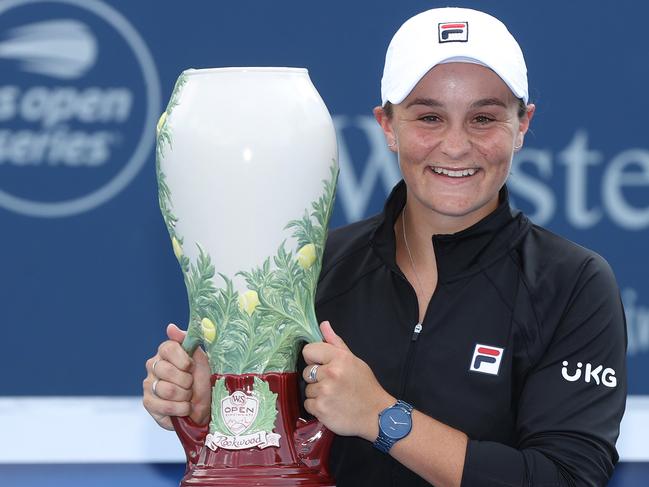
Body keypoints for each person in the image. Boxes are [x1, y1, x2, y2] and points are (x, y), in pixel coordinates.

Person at [143, 7, 627, 487]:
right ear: (387, 125)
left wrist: (382, 416)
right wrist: (214, 409)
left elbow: (567, 478)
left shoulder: (572, 282)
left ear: (522, 125)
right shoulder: (310, 270)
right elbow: (275, 453)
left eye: (483, 118)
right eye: (429, 117)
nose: (456, 146)